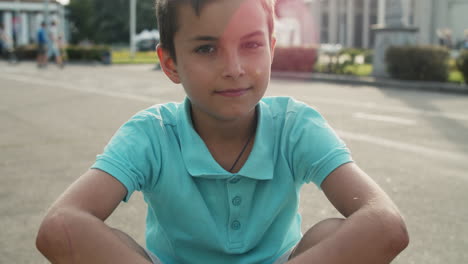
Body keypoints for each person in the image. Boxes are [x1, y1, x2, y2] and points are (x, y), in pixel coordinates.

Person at [36, 0, 409, 263]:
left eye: (251, 45)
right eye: (207, 48)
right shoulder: (152, 134)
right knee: (100, 240)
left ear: (271, 49)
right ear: (170, 63)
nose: (234, 68)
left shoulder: (295, 126)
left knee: (333, 235)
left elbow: (386, 225)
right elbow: (58, 227)